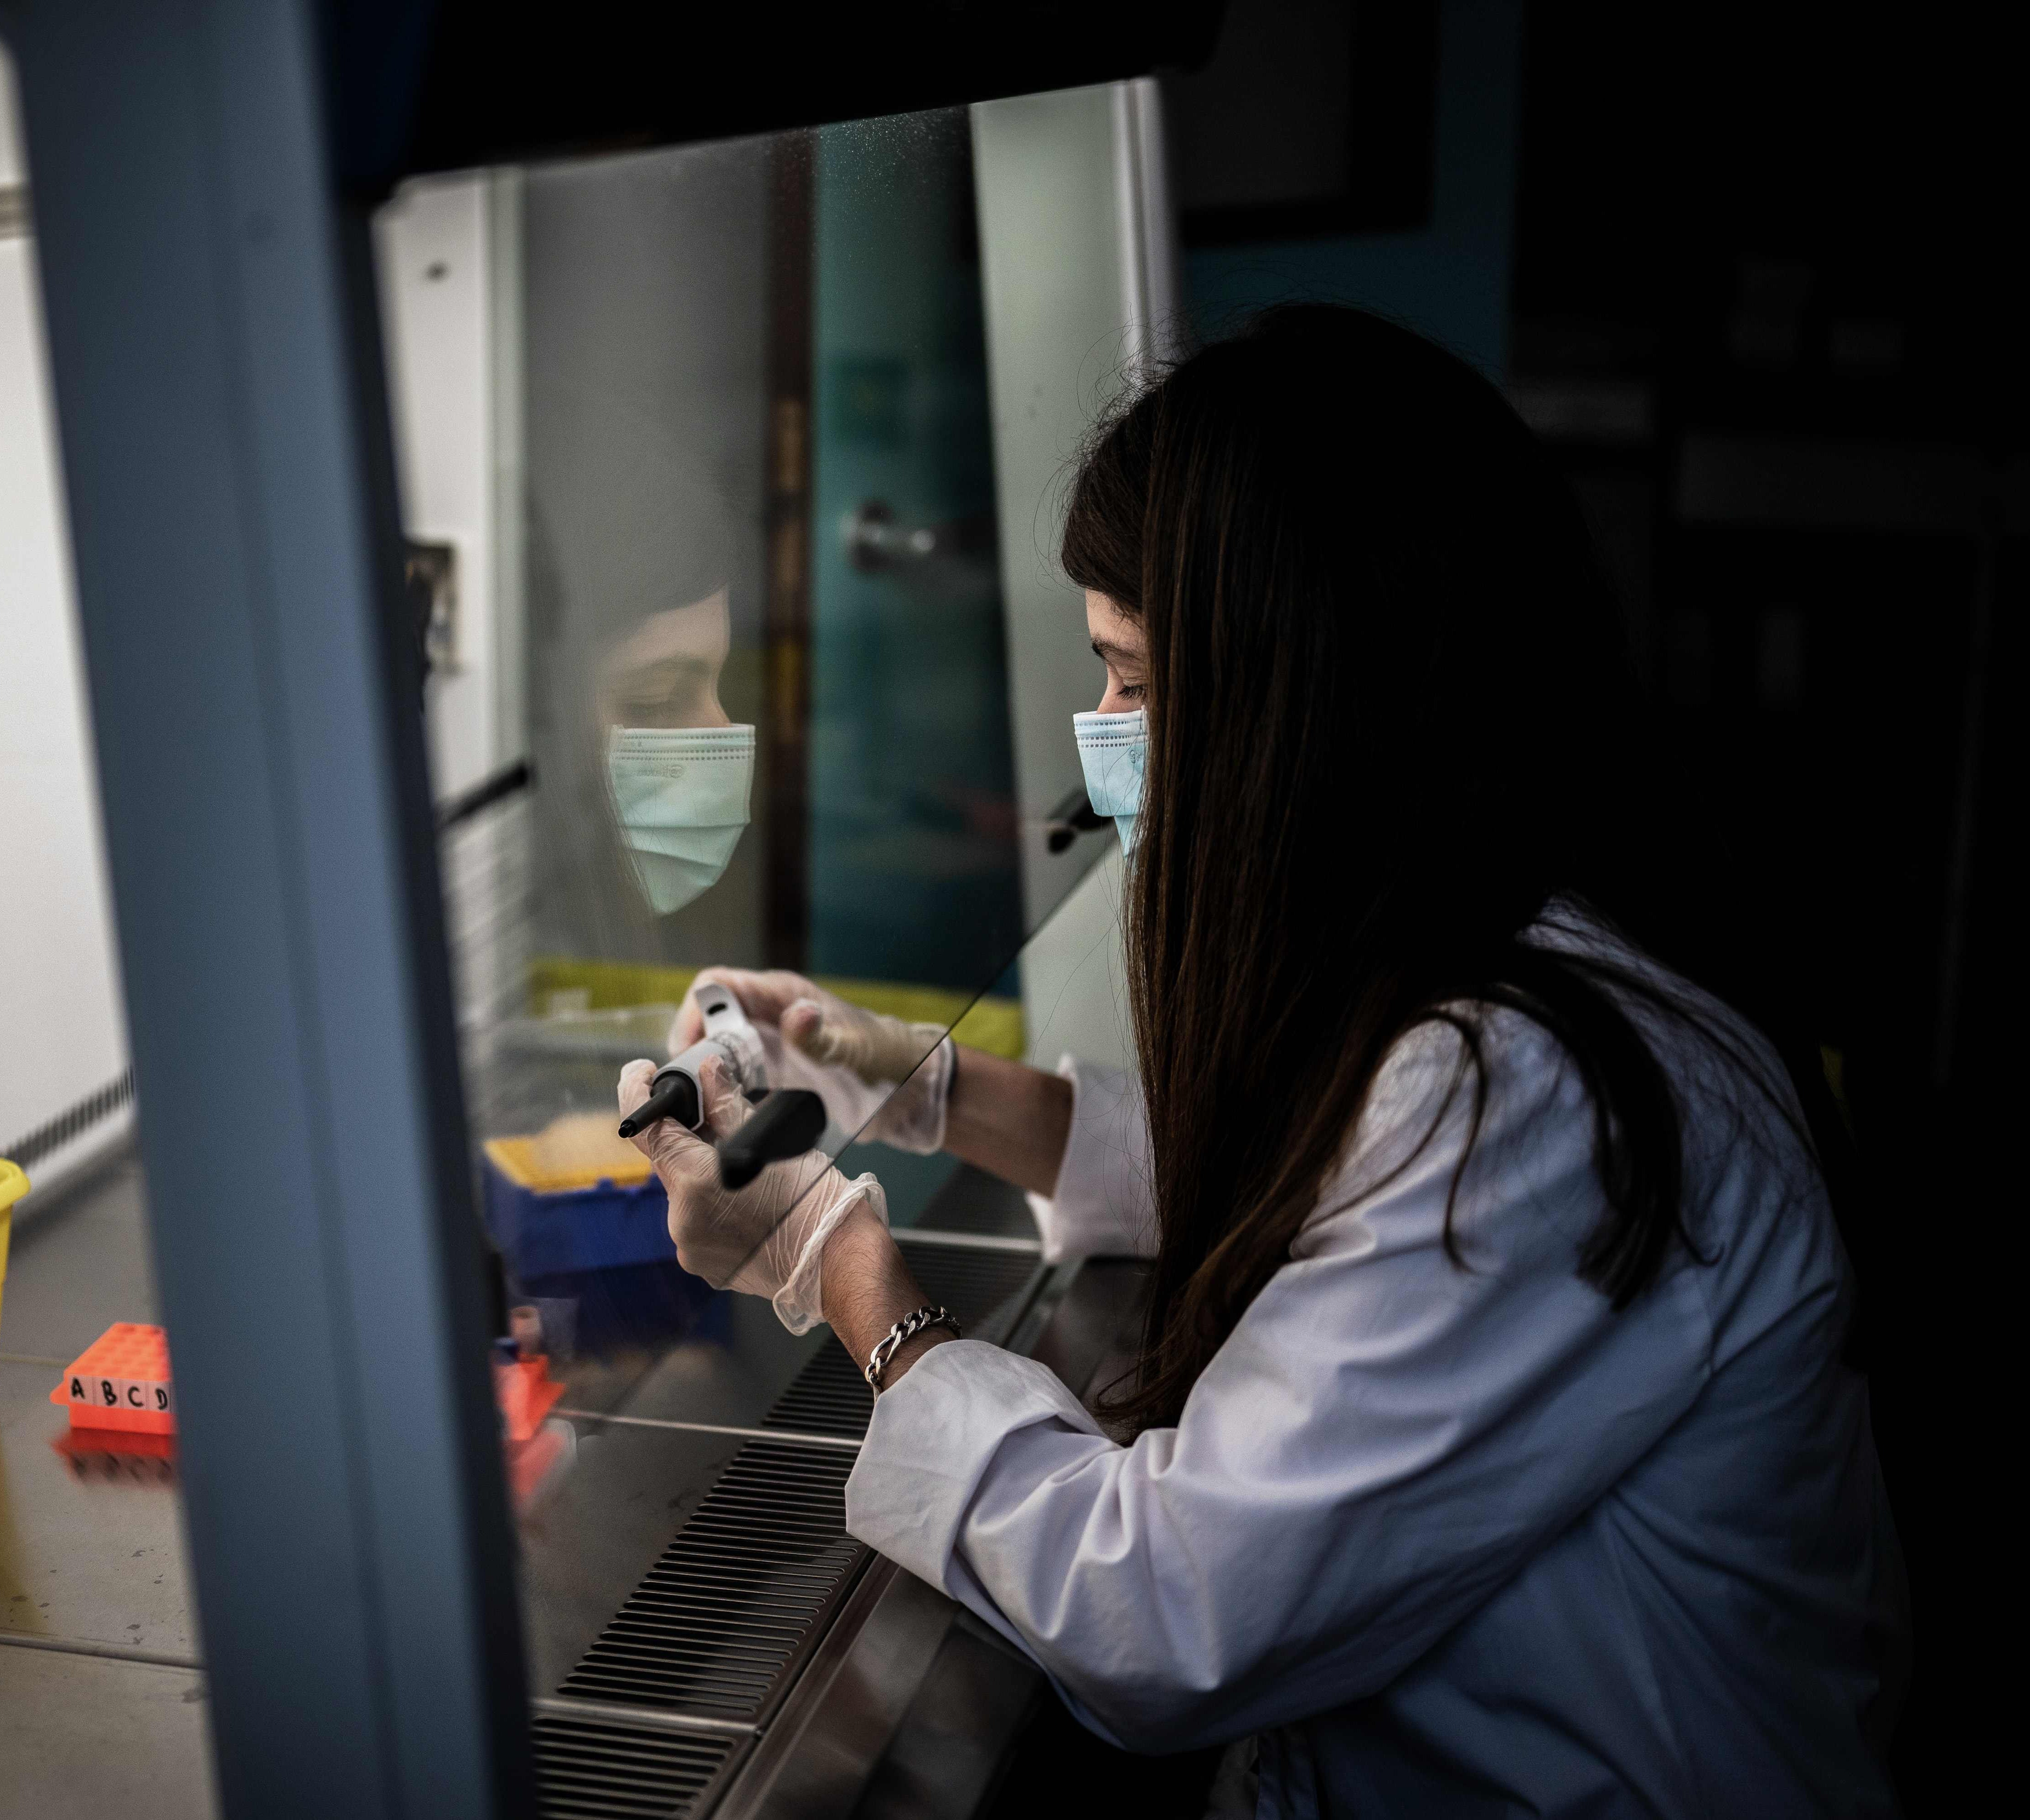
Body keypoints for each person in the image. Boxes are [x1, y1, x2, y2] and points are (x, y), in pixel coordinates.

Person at [618, 305, 1907, 1815]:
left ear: (1307, 701)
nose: (1102, 737)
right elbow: (1330, 1180)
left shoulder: (1531, 1098)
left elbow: (1164, 1618)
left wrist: (833, 1262)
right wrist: (915, 1081)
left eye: (1134, 682)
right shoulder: (1508, 960)